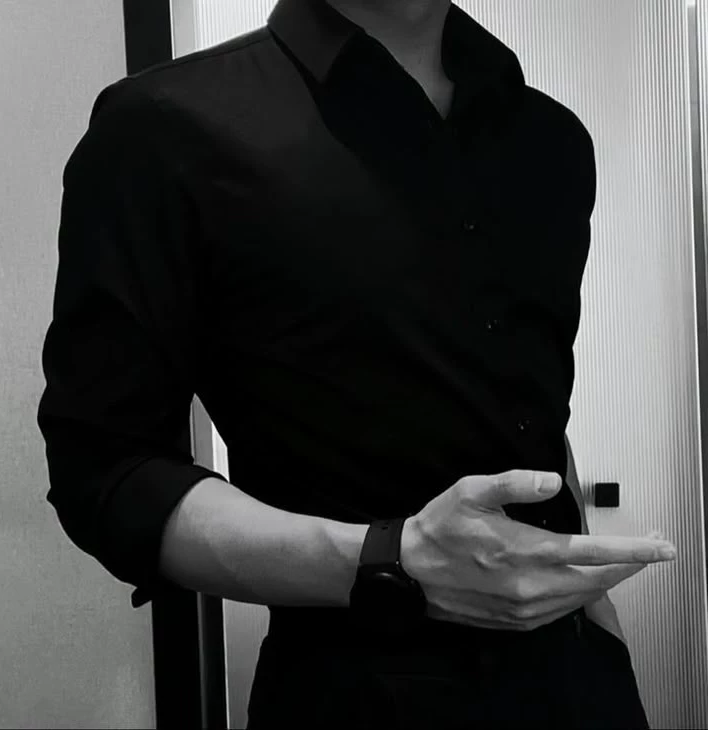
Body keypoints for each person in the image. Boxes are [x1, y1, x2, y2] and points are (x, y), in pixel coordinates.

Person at [37, 0, 677, 727]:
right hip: (356, 694)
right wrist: (389, 560)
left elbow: (527, 415)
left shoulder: (552, 141)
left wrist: (601, 625)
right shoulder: (160, 129)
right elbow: (108, 469)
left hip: (583, 685)